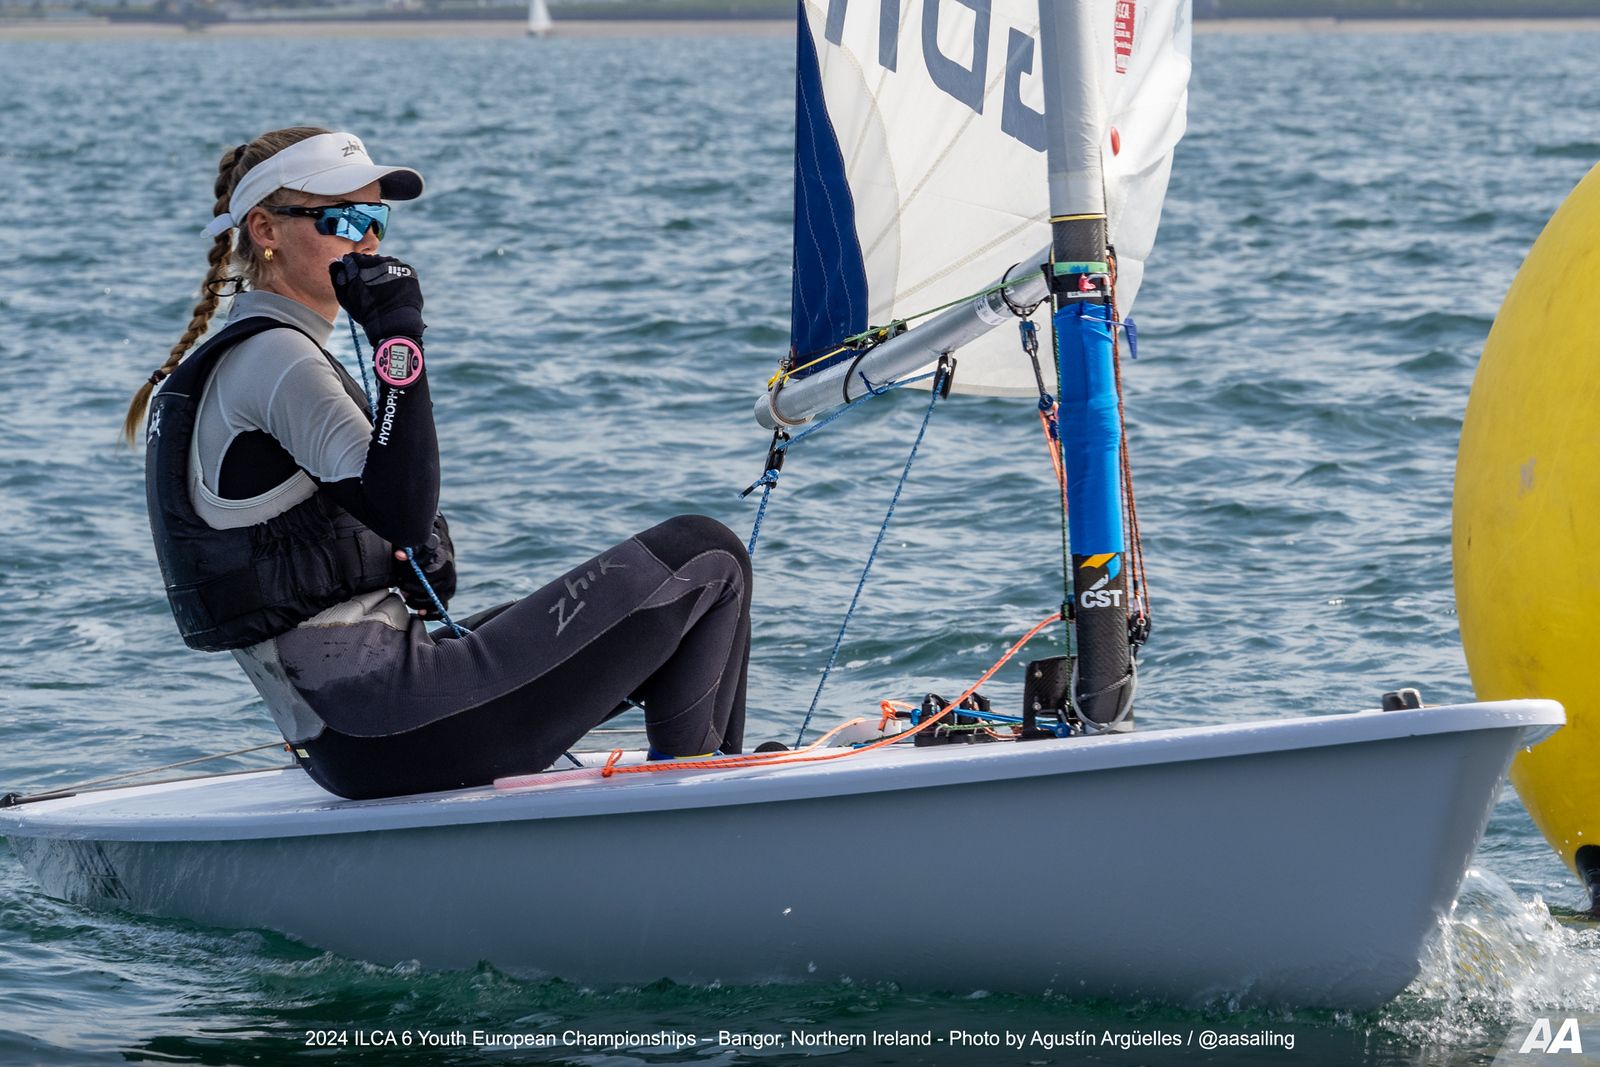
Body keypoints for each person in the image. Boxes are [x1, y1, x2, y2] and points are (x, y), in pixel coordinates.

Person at [125, 127, 752, 800]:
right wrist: (400, 338)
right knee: (705, 557)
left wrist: (415, 551)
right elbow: (401, 506)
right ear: (265, 230)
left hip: (347, 737)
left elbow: (398, 517)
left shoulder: (247, 357)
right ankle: (697, 799)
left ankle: (695, 772)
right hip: (389, 721)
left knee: (644, 614)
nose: (367, 242)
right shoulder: (278, 360)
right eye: (343, 219)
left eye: (377, 220)